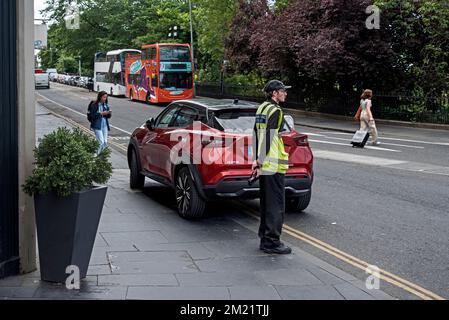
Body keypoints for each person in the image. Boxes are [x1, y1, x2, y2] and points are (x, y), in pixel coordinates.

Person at [251, 80, 292, 255]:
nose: (285, 94)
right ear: (274, 93)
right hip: (273, 164)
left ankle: (264, 237)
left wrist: (255, 159)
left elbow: (255, 133)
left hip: (265, 163)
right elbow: (269, 137)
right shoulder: (275, 110)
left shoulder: (261, 108)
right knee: (276, 205)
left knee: (266, 203)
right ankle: (272, 241)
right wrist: (260, 161)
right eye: (283, 91)